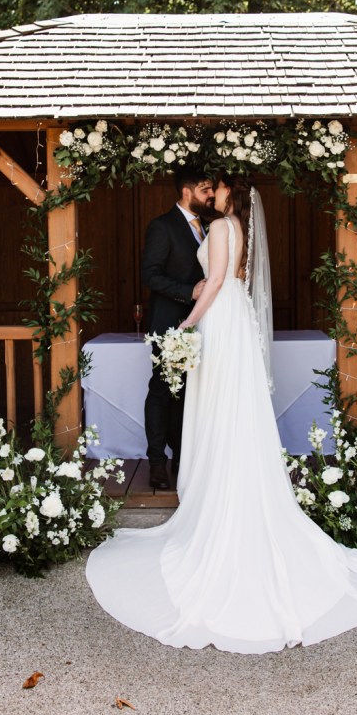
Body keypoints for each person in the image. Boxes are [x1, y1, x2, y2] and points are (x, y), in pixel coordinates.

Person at [86, 175, 357, 654]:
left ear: (228, 195)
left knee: (217, 404)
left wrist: (187, 323)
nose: (211, 193)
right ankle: (231, 484)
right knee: (232, 404)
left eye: (216, 188)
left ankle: (217, 493)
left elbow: (216, 281)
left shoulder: (221, 227)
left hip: (218, 317)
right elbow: (227, 279)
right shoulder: (239, 228)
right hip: (234, 318)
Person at [141, 168, 215, 490]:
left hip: (202, 325)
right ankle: (157, 461)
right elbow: (150, 274)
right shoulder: (162, 226)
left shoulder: (210, 226)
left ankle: (183, 457)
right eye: (205, 189)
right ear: (187, 192)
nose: (210, 195)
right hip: (170, 323)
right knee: (162, 392)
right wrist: (189, 292)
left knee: (188, 395)